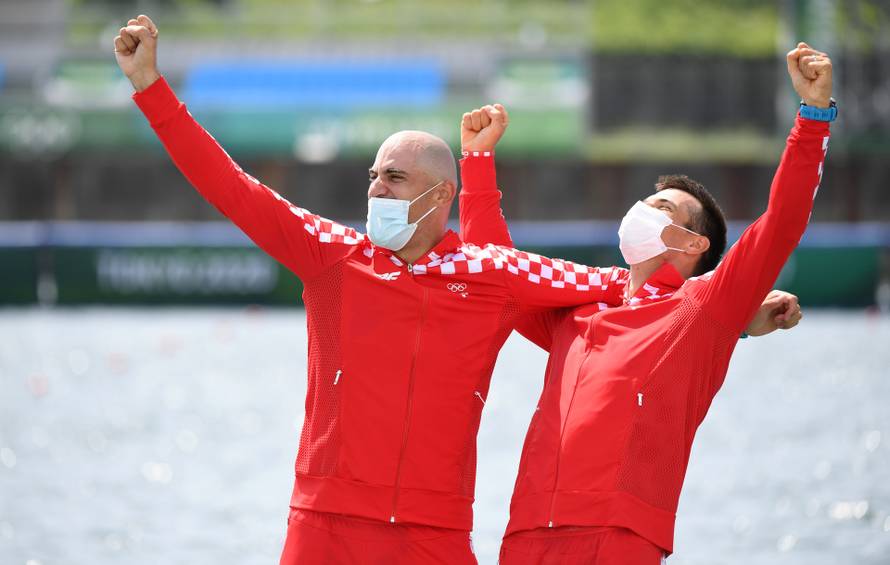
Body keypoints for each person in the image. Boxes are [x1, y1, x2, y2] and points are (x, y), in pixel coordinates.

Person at [113, 14, 799, 564]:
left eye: (394, 178)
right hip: (323, 527)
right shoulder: (332, 253)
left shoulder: (492, 276)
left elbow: (633, 297)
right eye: (375, 174)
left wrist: (733, 316)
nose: (375, 188)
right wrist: (150, 88)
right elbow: (232, 188)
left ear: (440, 195)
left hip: (434, 539)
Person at [458, 43, 831, 564]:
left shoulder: (704, 307)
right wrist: (476, 160)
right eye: (646, 201)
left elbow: (782, 222)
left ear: (693, 244)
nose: (641, 210)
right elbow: (495, 266)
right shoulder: (576, 313)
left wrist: (812, 118)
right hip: (524, 535)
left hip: (619, 537)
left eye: (661, 207)